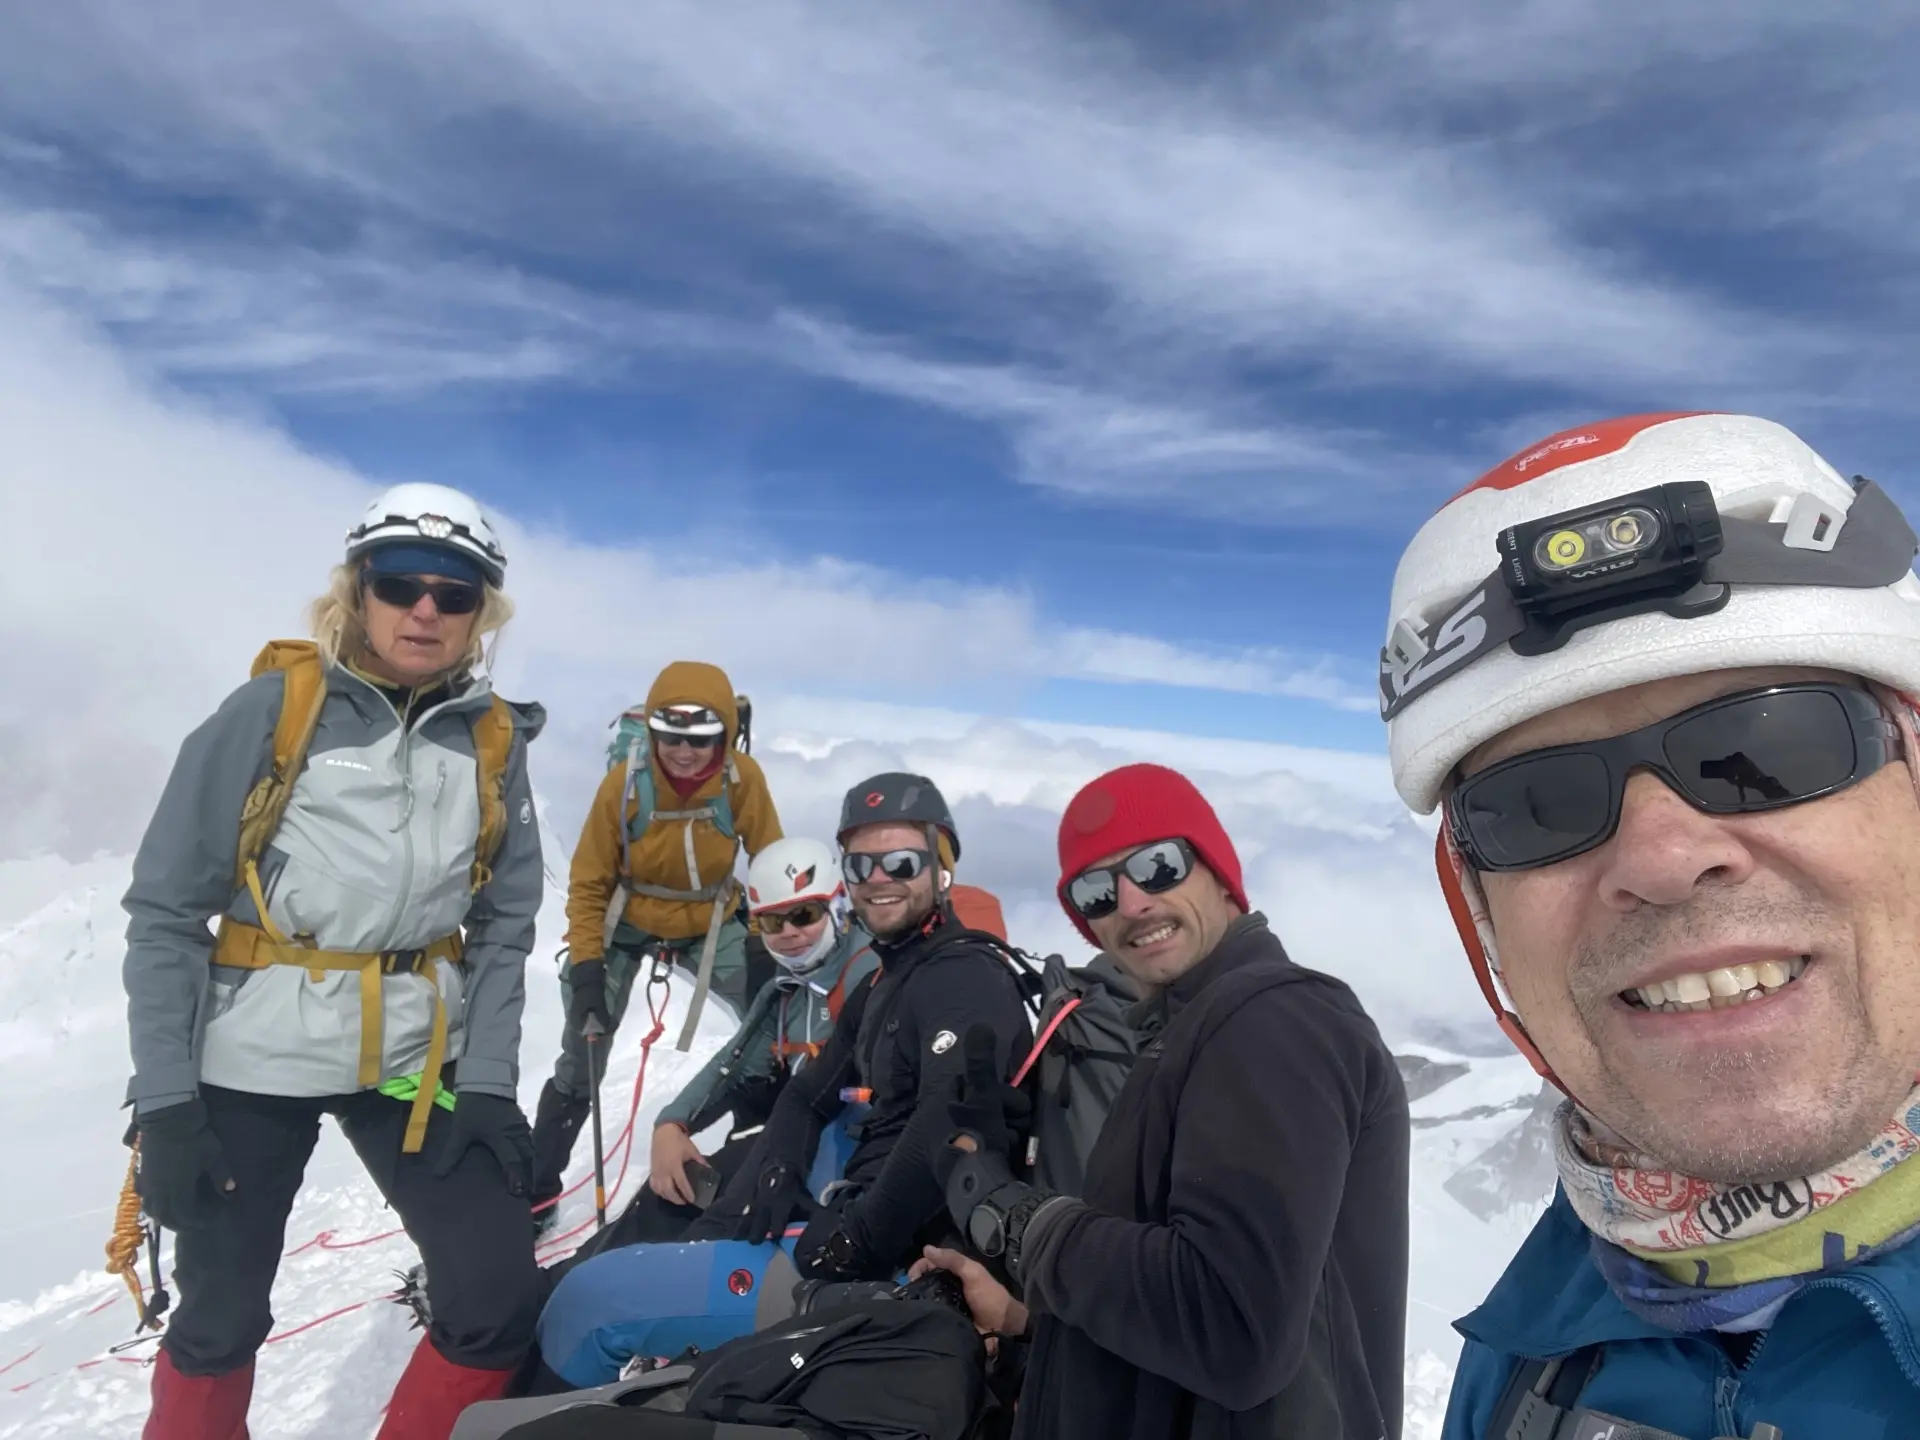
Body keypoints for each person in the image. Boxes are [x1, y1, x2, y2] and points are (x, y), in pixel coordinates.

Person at [1377, 412, 1920, 1439]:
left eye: (1770, 745)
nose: (1663, 858)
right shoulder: (1532, 1348)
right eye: (1536, 805)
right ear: (1482, 917)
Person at [122, 483, 545, 1440]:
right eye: (400, 584)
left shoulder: (491, 738)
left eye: (454, 593)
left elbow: (505, 924)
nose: (425, 610)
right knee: (219, 1318)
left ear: (481, 612)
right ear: (359, 590)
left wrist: (487, 1083)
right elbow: (165, 913)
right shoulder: (274, 710)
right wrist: (166, 1104)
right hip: (252, 1062)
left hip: (409, 1065)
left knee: (495, 1294)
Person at [917, 762, 1410, 1439]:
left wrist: (1025, 1224)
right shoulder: (1188, 1035)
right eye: (1096, 891)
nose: (1131, 904)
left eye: (1157, 866)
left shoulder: (1270, 1021)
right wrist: (1027, 1322)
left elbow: (1232, 1327)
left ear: (1218, 871)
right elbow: (1182, 1326)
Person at [689, 772, 1035, 1284]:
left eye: (901, 863)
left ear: (942, 870)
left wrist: (852, 1245)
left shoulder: (964, 980)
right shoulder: (883, 984)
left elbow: (946, 1122)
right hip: (863, 1224)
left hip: (921, 1260)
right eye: (859, 865)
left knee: (603, 1304)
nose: (876, 879)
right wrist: (780, 1166)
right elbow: (806, 1095)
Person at [528, 664, 781, 1226]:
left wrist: (764, 944)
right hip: (629, 917)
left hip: (711, 918)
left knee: (771, 1029)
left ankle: (762, 1157)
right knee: (583, 1052)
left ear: (724, 736)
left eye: (701, 740)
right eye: (672, 737)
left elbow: (772, 862)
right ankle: (536, 1194)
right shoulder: (625, 784)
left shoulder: (741, 780)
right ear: (653, 734)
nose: (685, 753)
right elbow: (590, 882)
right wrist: (588, 969)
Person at [571, 836, 879, 1256]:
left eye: (804, 914)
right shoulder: (788, 992)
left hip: (841, 1160)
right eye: (772, 922)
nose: (789, 933)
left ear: (838, 905)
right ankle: (572, 1279)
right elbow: (734, 1065)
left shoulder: (872, 972)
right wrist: (672, 1123)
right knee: (667, 1200)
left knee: (702, 1229)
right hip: (792, 1147)